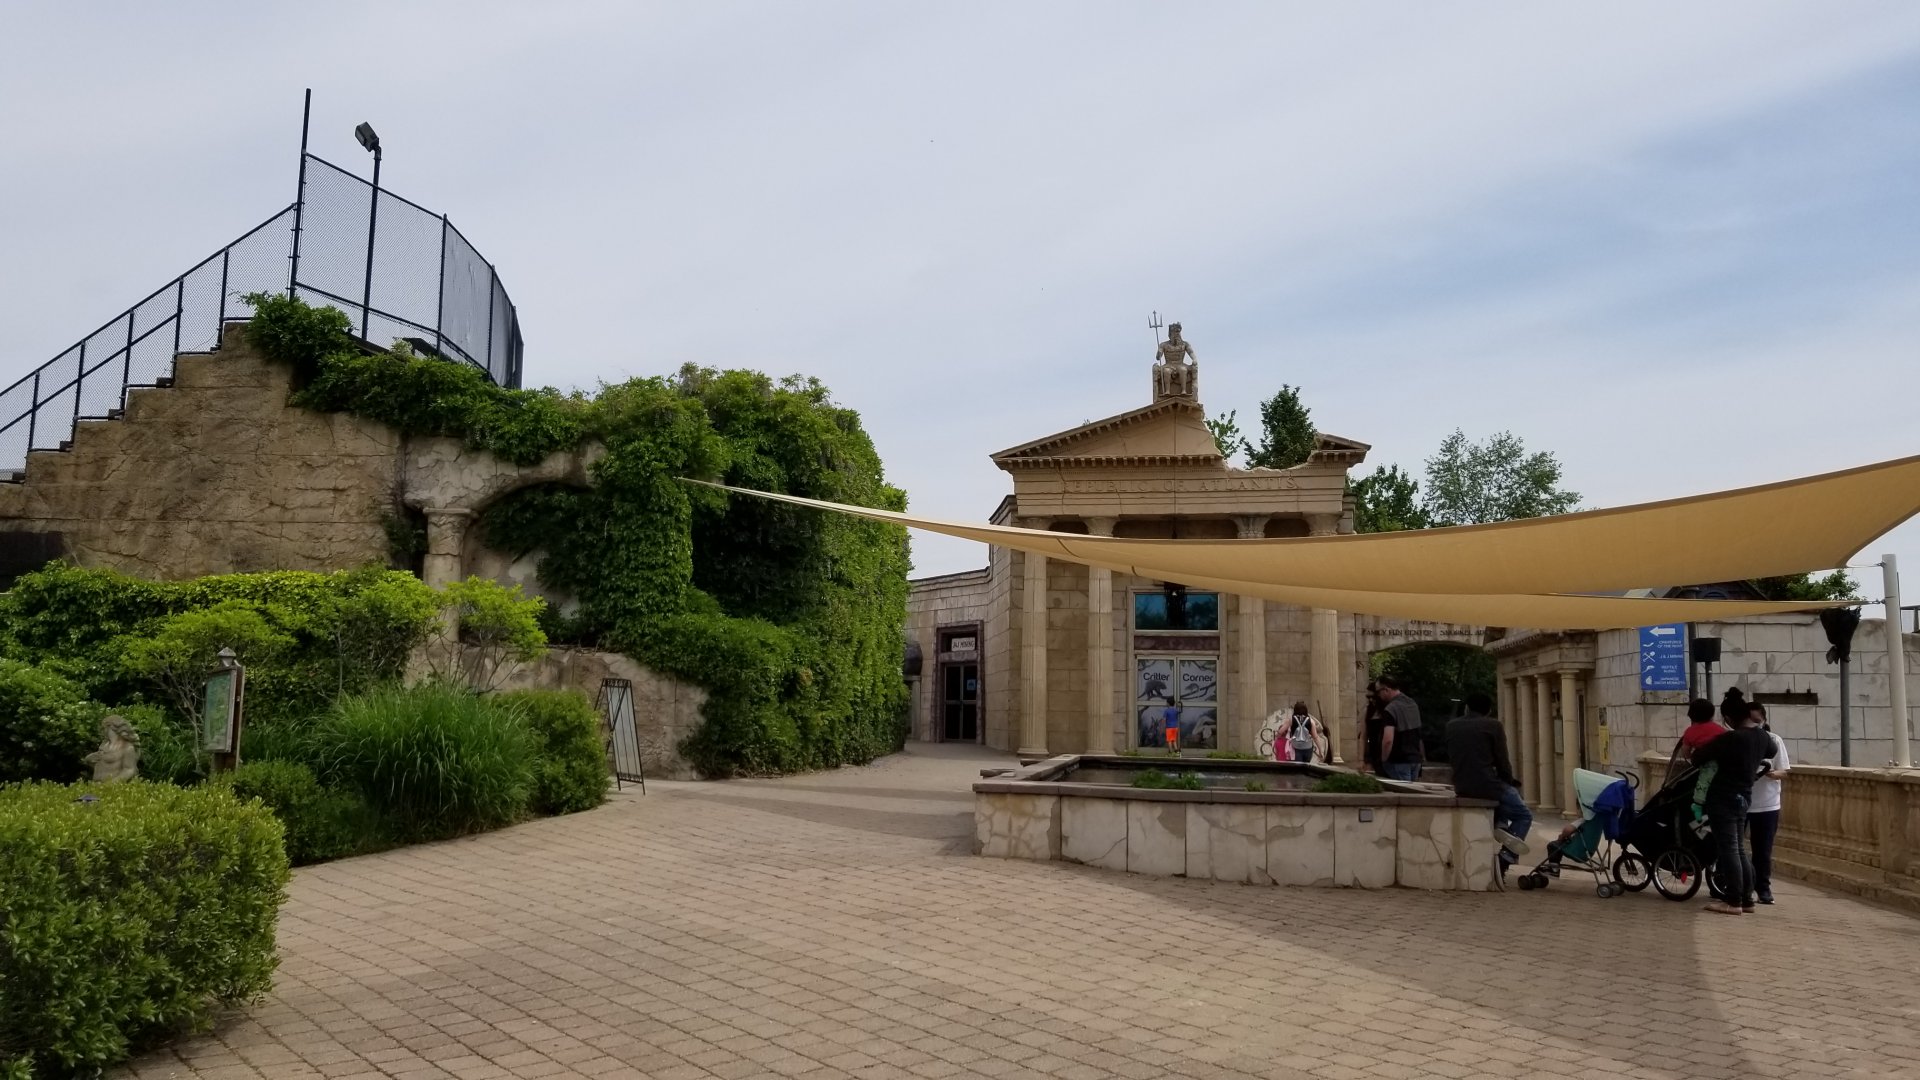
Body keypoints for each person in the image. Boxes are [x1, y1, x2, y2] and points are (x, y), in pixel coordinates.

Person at [1689, 688, 1772, 915]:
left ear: (1727, 718)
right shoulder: (1762, 736)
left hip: (1723, 797)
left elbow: (1697, 758)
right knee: (1740, 849)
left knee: (1729, 850)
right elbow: (1771, 751)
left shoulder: (1731, 738)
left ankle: (1733, 900)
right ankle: (1747, 899)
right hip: (1744, 796)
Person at [1444, 691, 1531, 877]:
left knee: (1504, 797)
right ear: (1489, 710)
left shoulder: (1451, 726)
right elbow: (1502, 761)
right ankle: (1505, 858)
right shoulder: (1493, 726)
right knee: (1523, 814)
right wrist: (1509, 782)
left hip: (1461, 785)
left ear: (1466, 707)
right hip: (1488, 785)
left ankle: (1500, 822)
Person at [1748, 702, 1790, 905]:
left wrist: (1772, 774)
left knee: (1762, 850)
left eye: (1757, 720)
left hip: (1767, 804)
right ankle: (1733, 885)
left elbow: (1785, 770)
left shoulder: (1774, 740)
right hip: (1742, 801)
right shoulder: (1740, 740)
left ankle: (1763, 888)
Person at [1376, 676, 1424, 782]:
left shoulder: (1391, 708)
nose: (1378, 695)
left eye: (1378, 692)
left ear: (1386, 689)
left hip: (1399, 760)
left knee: (1403, 793)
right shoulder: (1412, 704)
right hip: (1415, 759)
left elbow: (1388, 740)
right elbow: (1418, 735)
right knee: (1413, 795)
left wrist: (1383, 760)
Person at [1361, 682, 1387, 773]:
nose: (1371, 700)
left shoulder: (1388, 710)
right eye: (1368, 697)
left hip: (1385, 748)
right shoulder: (1367, 710)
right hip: (1373, 748)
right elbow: (1364, 735)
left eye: (1373, 697)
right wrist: (1364, 758)